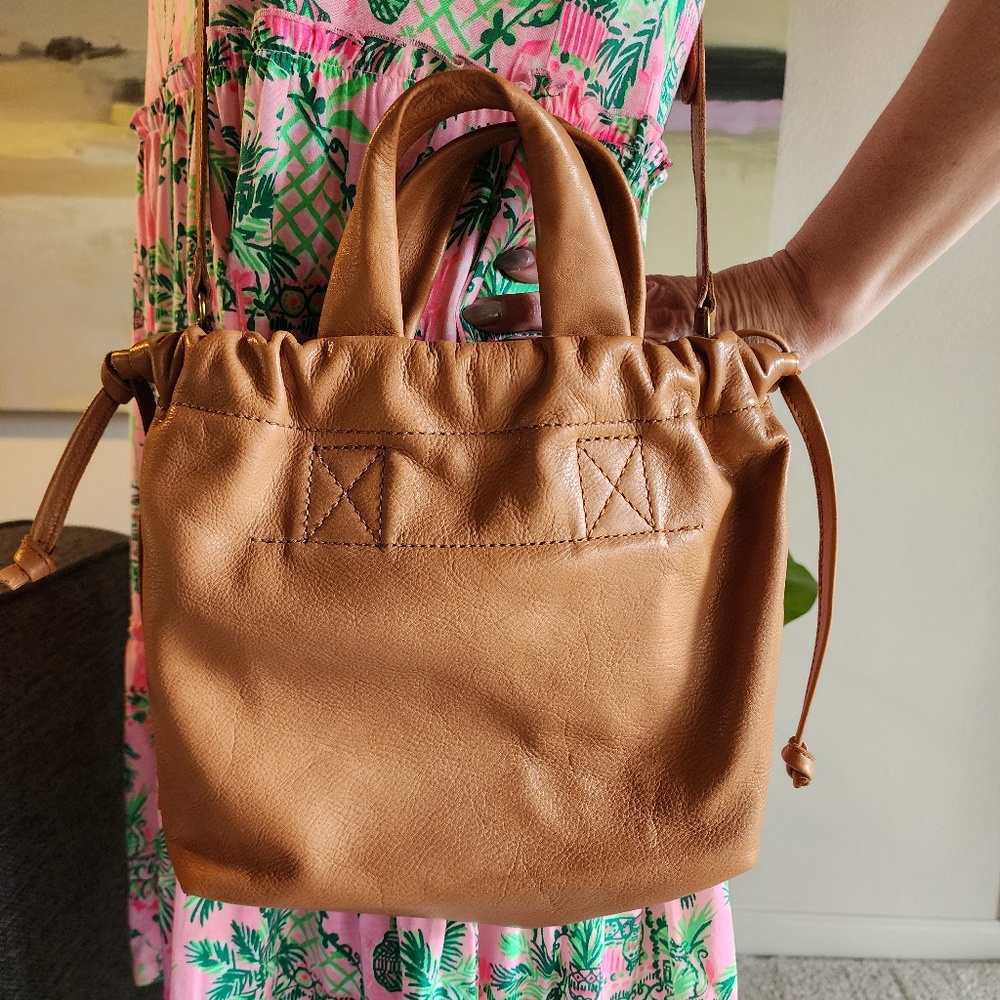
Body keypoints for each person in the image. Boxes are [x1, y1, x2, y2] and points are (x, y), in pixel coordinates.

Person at [125, 0, 1000, 996]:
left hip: (544, 496)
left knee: (563, 826)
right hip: (254, 484)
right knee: (266, 808)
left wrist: (810, 286)